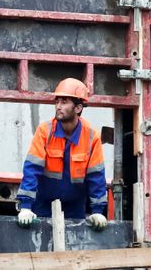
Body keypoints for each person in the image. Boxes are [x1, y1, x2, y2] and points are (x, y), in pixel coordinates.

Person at [16, 78, 108, 230]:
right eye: (57, 101)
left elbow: (96, 175)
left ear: (78, 108)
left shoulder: (92, 136)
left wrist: (97, 211)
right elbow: (32, 169)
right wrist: (26, 206)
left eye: (64, 102)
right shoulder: (45, 131)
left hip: (75, 206)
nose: (58, 106)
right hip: (43, 203)